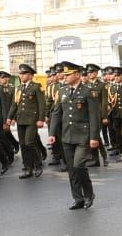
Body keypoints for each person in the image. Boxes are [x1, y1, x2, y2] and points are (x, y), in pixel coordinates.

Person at [47, 62, 100, 209]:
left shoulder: (88, 92)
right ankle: (78, 198)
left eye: (69, 74)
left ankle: (89, 194)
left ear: (77, 74)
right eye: (65, 74)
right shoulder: (62, 91)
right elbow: (56, 114)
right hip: (67, 136)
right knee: (71, 169)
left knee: (79, 165)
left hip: (83, 135)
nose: (65, 76)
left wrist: (94, 137)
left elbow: (94, 116)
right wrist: (52, 133)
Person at [8, 63, 47, 178]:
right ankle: (28, 168)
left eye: (24, 74)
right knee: (23, 145)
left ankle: (38, 164)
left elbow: (41, 104)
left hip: (32, 120)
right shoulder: (18, 88)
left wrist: (41, 119)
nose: (21, 76)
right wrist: (10, 117)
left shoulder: (36, 86)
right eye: (20, 74)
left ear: (30, 75)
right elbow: (14, 105)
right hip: (21, 119)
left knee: (30, 142)